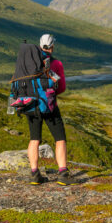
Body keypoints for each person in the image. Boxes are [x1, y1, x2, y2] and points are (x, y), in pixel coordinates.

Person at [27, 34, 77, 186]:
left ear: (39, 45)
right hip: (49, 106)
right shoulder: (56, 64)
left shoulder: (29, 61)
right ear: (52, 46)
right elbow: (61, 87)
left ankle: (35, 174)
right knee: (60, 138)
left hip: (31, 106)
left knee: (34, 139)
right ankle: (63, 173)